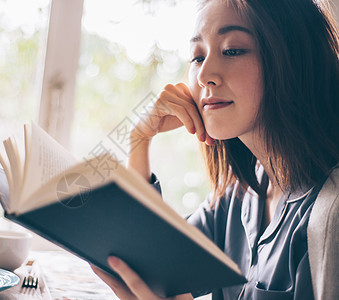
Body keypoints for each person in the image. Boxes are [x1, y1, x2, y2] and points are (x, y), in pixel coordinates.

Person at [91, 0, 339, 299]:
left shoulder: (330, 213)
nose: (205, 73)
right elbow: (146, 259)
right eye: (197, 56)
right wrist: (139, 139)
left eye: (232, 50)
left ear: (294, 59)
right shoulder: (237, 199)